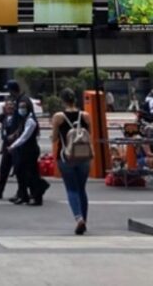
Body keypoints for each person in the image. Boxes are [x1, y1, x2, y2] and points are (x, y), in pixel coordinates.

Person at [51, 89, 91, 235]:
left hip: (65, 156)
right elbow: (89, 135)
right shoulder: (85, 115)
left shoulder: (58, 117)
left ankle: (78, 218)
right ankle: (84, 221)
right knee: (82, 189)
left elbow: (55, 138)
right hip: (84, 157)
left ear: (62, 100)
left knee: (71, 189)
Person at [7, 94, 48, 206]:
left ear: (28, 107)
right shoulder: (24, 119)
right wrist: (13, 137)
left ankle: (37, 195)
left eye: (23, 107)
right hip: (24, 150)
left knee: (31, 175)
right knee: (21, 173)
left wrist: (13, 146)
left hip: (30, 150)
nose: (21, 109)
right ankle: (24, 195)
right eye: (20, 107)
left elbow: (24, 136)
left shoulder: (31, 120)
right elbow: (20, 131)